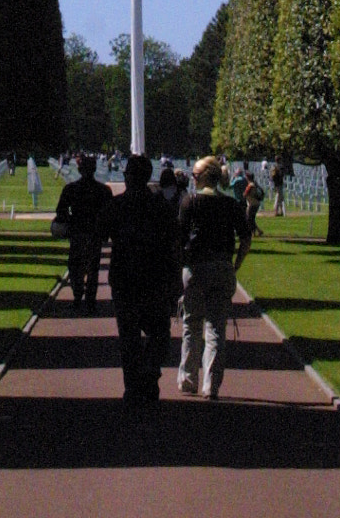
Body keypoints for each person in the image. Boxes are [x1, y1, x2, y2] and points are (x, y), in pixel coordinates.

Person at [98, 153, 180, 405]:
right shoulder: (161, 207)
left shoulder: (116, 205)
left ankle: (133, 385)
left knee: (129, 337)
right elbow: (173, 246)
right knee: (159, 335)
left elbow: (101, 235)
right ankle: (148, 373)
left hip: (125, 280)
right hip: (154, 279)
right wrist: (175, 280)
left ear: (128, 177)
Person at [178, 155, 252, 400]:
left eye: (194, 176)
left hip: (196, 269)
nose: (193, 179)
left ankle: (189, 379)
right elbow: (246, 238)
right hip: (222, 267)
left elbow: (179, 239)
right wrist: (236, 265)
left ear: (201, 178)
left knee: (191, 325)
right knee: (216, 329)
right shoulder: (231, 205)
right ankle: (211, 385)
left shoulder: (190, 202)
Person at [51, 152, 113, 310]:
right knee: (92, 267)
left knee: (76, 266)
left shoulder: (72, 189)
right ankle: (90, 299)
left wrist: (69, 222)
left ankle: (78, 295)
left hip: (78, 232)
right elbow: (109, 214)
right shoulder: (103, 191)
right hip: (93, 232)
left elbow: (61, 212)